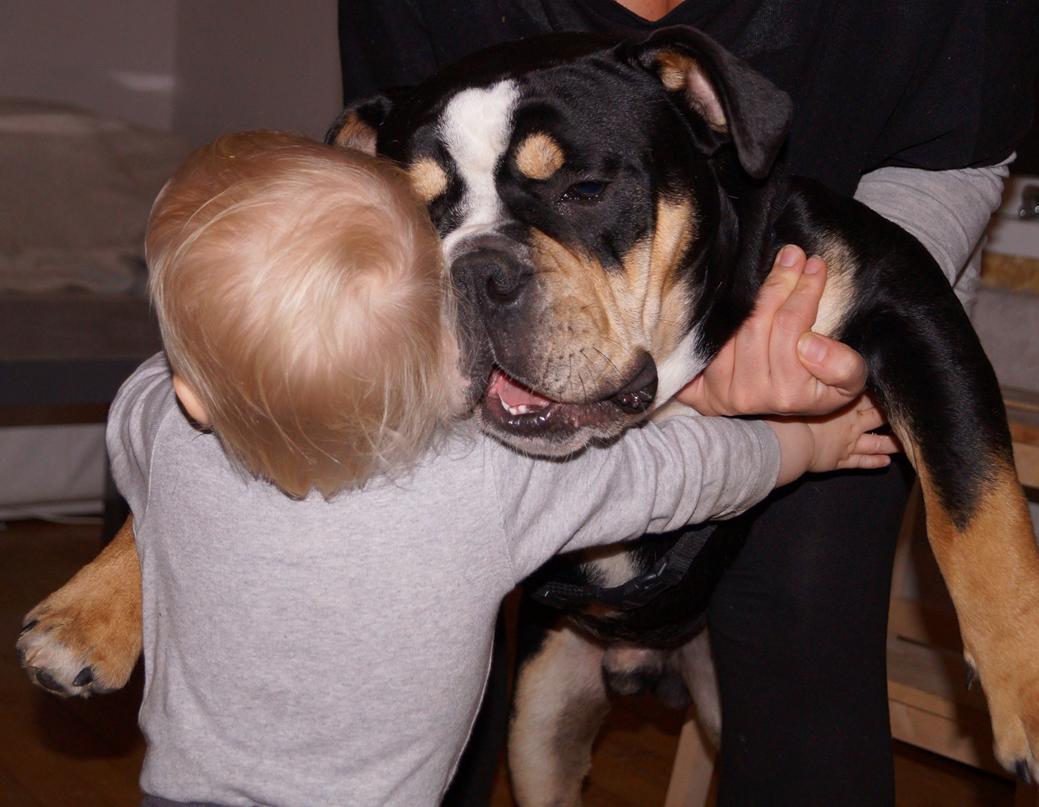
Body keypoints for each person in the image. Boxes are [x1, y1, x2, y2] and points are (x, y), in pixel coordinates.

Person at [337, 1, 1039, 803]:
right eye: (434, 213)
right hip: (557, 575)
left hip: (765, 327)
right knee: (447, 707)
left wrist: (804, 332)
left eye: (582, 190)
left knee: (808, 664)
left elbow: (945, 165)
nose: (490, 276)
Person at [122, 129, 896, 806]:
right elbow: (680, 471)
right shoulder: (482, 482)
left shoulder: (160, 430)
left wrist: (204, 342)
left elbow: (153, 385)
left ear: (190, 389)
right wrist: (803, 448)